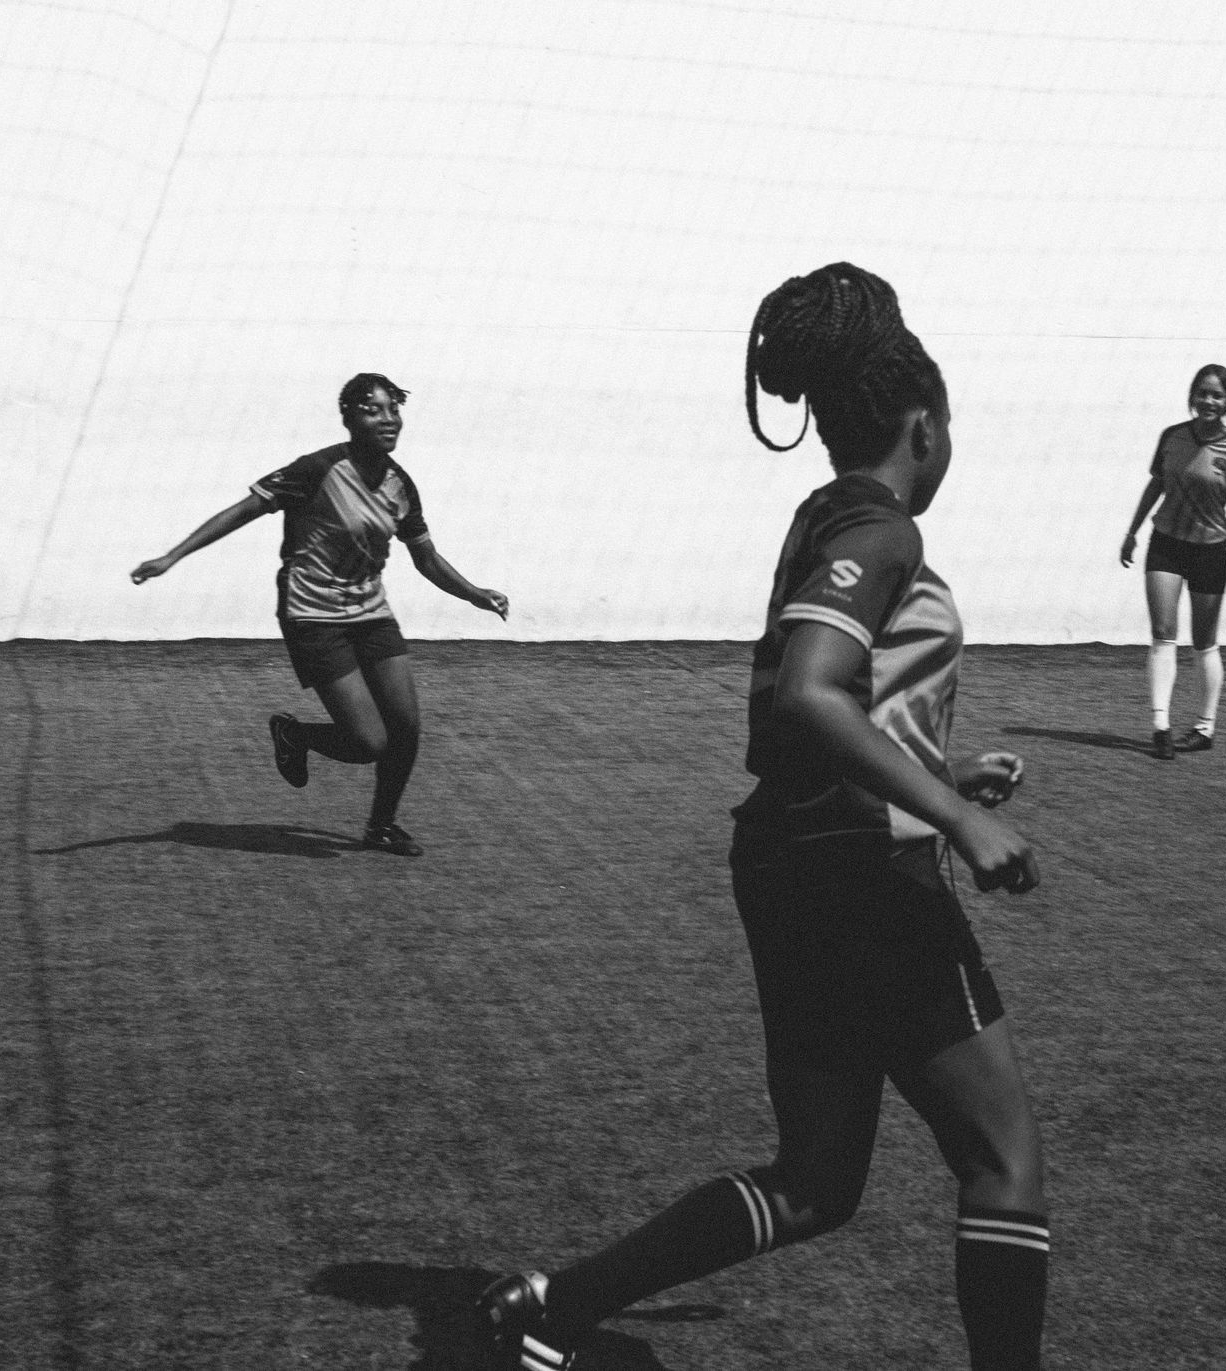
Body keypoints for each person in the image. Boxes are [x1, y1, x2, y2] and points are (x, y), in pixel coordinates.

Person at [477, 265, 1049, 1371]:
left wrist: (942, 769)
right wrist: (958, 821)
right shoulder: (883, 529)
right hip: (862, 879)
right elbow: (809, 693)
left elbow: (821, 711)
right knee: (1003, 1158)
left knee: (816, 1182)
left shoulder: (822, 515)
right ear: (926, 425)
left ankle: (553, 1306)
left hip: (792, 859)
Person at [131, 372, 507, 856]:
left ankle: (381, 826)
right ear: (348, 419)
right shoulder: (317, 469)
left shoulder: (400, 484)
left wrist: (475, 594)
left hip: (371, 611)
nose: (387, 419)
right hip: (312, 614)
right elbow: (242, 511)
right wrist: (171, 557)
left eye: (393, 409)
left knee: (406, 727)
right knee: (369, 743)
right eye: (372, 410)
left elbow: (426, 557)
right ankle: (296, 734)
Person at [1118, 364, 1226, 760]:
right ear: (1192, 396)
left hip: (1210, 551)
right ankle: (1160, 727)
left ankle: (1204, 727)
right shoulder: (1172, 437)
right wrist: (1132, 532)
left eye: (1217, 395)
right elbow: (1156, 484)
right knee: (1163, 633)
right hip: (1166, 544)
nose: (1208, 401)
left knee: (1204, 643)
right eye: (1203, 393)